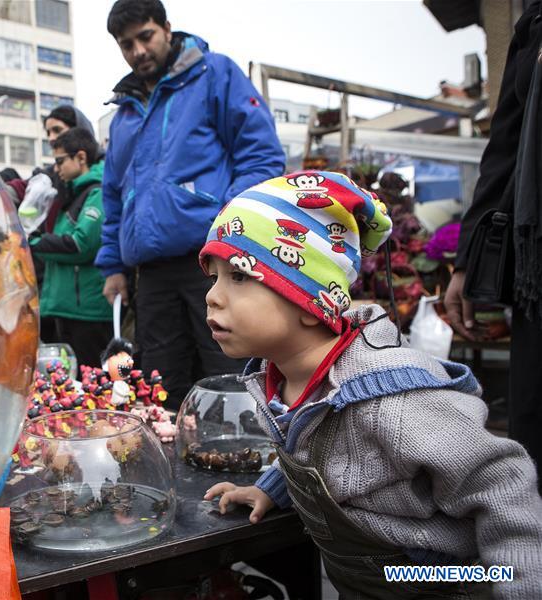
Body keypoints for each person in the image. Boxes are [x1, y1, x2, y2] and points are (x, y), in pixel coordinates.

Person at [198, 172, 542, 598]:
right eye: (213, 277)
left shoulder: (392, 401)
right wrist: (272, 488)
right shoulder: (284, 380)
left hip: (437, 581)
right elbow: (323, 452)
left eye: (239, 277)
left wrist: (521, 586)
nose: (212, 296)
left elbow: (501, 479)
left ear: (310, 303)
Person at [96, 0, 285, 407]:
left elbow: (261, 156)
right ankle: (172, 460)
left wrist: (226, 223)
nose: (138, 51)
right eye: (126, 44)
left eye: (145, 36)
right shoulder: (124, 113)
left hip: (212, 260)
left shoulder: (215, 74)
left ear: (166, 27)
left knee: (229, 371)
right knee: (161, 380)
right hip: (151, 274)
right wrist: (113, 266)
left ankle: (245, 464)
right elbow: (112, 195)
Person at [444, 1, 542, 490]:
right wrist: (466, 264)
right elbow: (503, 151)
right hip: (537, 273)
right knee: (533, 436)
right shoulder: (534, 28)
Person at [29, 128, 111, 368]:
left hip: (87, 311)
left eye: (60, 161)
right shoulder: (72, 196)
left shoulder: (96, 192)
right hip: (68, 308)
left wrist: (33, 242)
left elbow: (80, 244)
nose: (56, 169)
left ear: (82, 158)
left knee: (93, 386)